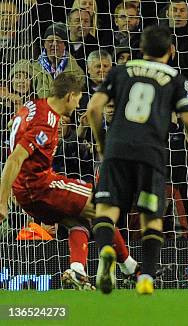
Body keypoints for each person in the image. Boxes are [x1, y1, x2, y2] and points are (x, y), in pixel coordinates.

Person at [85, 25, 188, 295]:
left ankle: (105, 249)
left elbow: (93, 108)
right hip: (151, 152)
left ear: (141, 49)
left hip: (117, 148)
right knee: (151, 218)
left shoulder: (121, 70)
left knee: (107, 211)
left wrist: (103, 142)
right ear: (171, 51)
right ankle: (146, 276)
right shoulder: (175, 77)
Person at [0, 73, 138, 291]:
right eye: (77, 100)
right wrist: (2, 202)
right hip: (39, 186)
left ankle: (77, 271)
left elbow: (15, 123)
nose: (77, 106)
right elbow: (14, 159)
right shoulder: (45, 123)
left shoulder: (33, 105)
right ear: (69, 96)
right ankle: (131, 270)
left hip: (27, 190)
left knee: (78, 221)